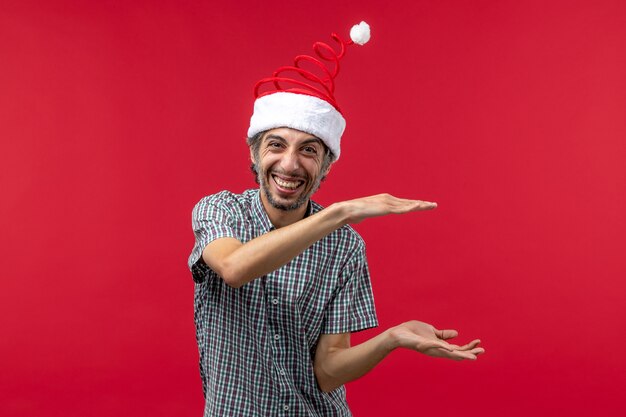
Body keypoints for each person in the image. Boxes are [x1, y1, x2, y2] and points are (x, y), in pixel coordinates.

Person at [188, 22, 484, 416]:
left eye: (309, 150)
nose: (290, 164)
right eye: (276, 145)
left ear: (325, 167)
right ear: (255, 155)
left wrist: (392, 338)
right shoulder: (219, 211)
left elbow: (327, 372)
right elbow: (234, 267)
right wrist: (345, 211)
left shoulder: (345, 246)